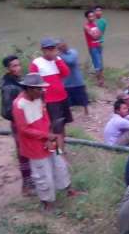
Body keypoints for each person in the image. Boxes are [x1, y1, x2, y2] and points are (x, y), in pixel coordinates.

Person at [11, 73, 79, 210]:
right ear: (29, 88)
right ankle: (47, 202)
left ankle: (68, 189)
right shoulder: (19, 105)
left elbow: (46, 117)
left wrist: (51, 134)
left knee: (60, 164)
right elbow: (24, 129)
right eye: (39, 89)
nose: (42, 91)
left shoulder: (39, 98)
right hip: (34, 145)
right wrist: (45, 136)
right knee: (43, 174)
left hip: (49, 138)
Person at [0, 54, 33, 195]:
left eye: (18, 65)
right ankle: (26, 186)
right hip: (19, 124)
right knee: (23, 153)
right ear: (8, 69)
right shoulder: (8, 87)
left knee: (30, 150)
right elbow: (6, 111)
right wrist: (20, 118)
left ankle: (32, 180)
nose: (18, 68)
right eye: (14, 66)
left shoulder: (19, 81)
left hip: (29, 121)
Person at [29, 37, 72, 150]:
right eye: (48, 49)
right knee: (53, 127)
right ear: (43, 50)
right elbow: (33, 84)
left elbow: (66, 73)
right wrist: (40, 101)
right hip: (49, 101)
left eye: (53, 48)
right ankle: (56, 151)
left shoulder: (58, 60)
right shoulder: (36, 63)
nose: (51, 51)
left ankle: (61, 149)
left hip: (62, 98)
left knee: (62, 125)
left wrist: (57, 60)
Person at [57, 40, 89, 117]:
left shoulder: (73, 52)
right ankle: (69, 114)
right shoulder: (58, 56)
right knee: (67, 100)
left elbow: (70, 61)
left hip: (77, 81)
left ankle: (86, 112)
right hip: (66, 82)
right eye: (60, 47)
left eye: (63, 46)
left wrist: (59, 56)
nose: (62, 48)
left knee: (83, 98)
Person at [83, 9, 104, 87]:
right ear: (87, 18)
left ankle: (101, 80)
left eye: (93, 16)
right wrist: (97, 35)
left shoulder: (95, 24)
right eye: (90, 16)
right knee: (97, 65)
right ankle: (99, 82)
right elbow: (95, 36)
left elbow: (99, 35)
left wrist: (97, 35)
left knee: (101, 64)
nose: (92, 18)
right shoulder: (86, 26)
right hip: (92, 47)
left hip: (98, 46)